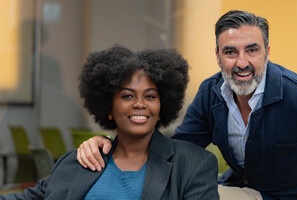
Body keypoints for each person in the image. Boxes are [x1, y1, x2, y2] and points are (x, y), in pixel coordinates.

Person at [77, 10, 297, 199]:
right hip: (239, 191)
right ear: (217, 55)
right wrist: (111, 143)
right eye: (230, 52)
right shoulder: (211, 94)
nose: (242, 63)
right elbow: (175, 152)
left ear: (268, 52)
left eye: (252, 50)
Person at [1, 45, 219, 200]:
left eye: (150, 96)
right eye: (127, 96)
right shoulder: (78, 161)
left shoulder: (194, 164)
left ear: (162, 108)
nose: (140, 104)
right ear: (109, 108)